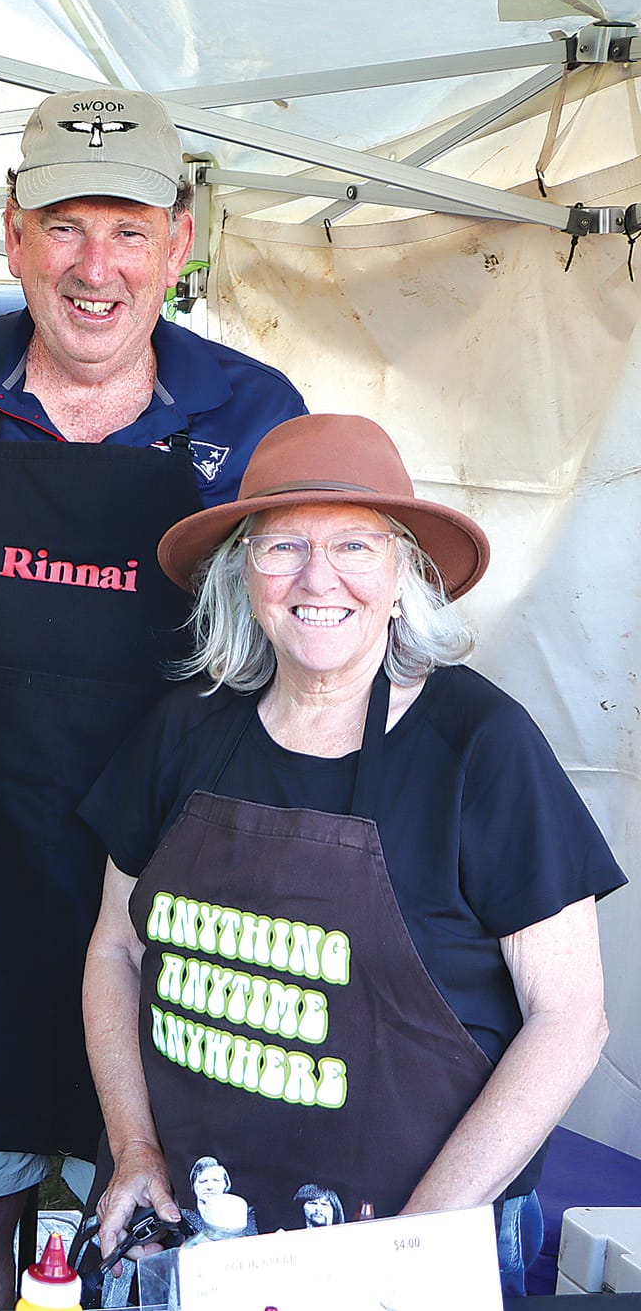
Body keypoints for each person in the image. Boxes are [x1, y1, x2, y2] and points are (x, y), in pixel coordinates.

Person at [0, 87, 308, 1307]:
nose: (93, 267)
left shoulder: (255, 415)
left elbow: (301, 637)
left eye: (127, 229)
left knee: (171, 1233)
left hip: (171, 889)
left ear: (179, 240)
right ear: (9, 234)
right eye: (61, 227)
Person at [79, 413, 623, 1296]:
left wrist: (408, 1248)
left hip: (410, 1242)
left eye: (356, 548)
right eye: (281, 545)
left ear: (405, 574)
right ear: (241, 577)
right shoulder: (183, 731)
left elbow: (570, 1019)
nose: (316, 577)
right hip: (191, 1235)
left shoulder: (479, 746)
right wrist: (135, 1148)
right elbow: (114, 947)